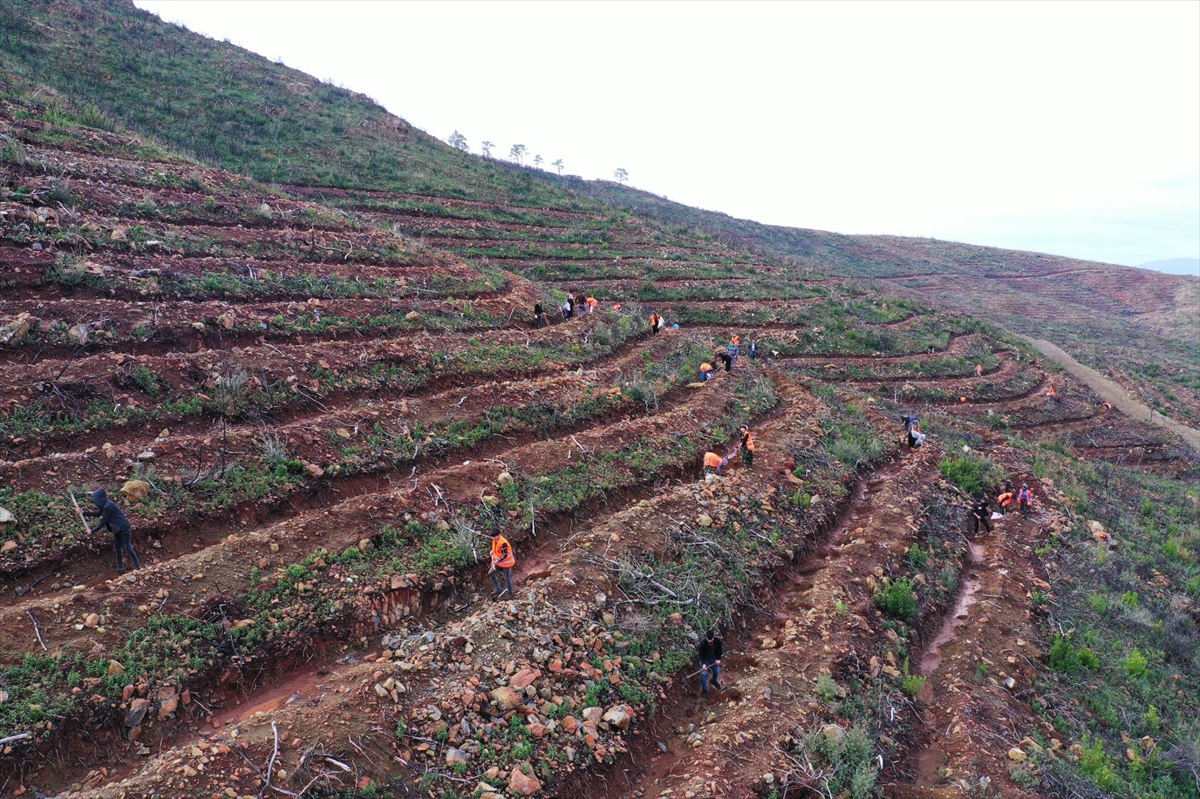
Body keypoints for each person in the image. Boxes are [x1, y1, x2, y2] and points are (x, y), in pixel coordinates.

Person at [81, 488, 140, 572]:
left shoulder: (108, 506)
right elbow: (97, 514)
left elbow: (103, 521)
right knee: (117, 548)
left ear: (100, 499)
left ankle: (138, 567)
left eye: (96, 499)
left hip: (123, 527)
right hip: (116, 528)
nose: (95, 501)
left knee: (128, 546)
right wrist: (84, 513)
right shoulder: (105, 505)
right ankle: (120, 568)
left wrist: (93, 530)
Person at [490, 529, 516, 598]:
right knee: (491, 573)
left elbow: (505, 554)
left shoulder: (503, 543)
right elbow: (496, 549)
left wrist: (497, 561)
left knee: (507, 577)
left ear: (498, 535)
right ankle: (498, 588)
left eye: (494, 537)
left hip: (506, 564)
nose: (493, 538)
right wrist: (492, 551)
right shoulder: (495, 540)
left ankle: (510, 592)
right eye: (492, 537)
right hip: (498, 563)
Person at [698, 629, 723, 696]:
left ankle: (714, 681)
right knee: (704, 674)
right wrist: (703, 664)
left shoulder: (718, 640)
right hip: (705, 658)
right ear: (706, 637)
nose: (710, 641)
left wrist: (718, 659)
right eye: (708, 640)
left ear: (713, 637)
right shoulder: (702, 643)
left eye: (711, 640)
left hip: (713, 657)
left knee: (717, 671)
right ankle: (704, 691)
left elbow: (719, 650)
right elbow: (700, 654)